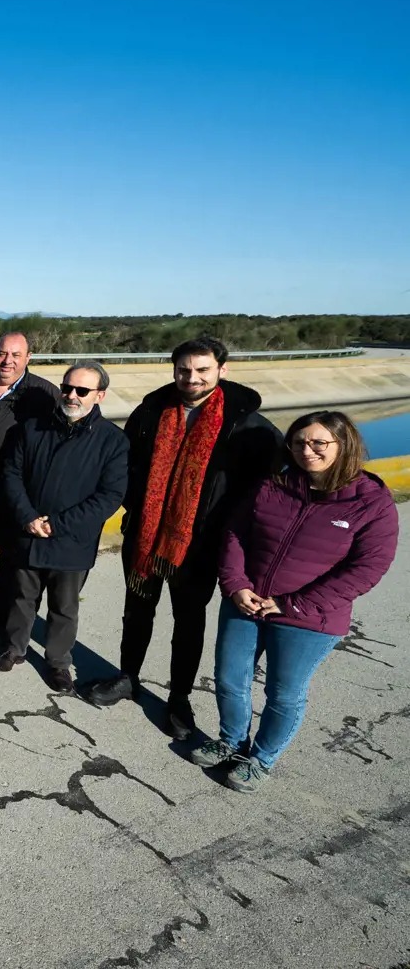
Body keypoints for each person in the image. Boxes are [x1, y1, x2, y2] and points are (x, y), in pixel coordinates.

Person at [84, 337, 283, 736]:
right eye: (184, 370)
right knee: (137, 610)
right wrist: (134, 508)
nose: (192, 378)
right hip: (145, 535)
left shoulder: (248, 426)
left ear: (222, 370)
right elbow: (125, 465)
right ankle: (128, 677)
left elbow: (267, 492)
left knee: (188, 621)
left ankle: (179, 698)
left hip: (201, 545)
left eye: (202, 370)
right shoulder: (151, 411)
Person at [191, 411, 397, 793]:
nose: (307, 450)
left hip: (308, 618)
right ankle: (231, 741)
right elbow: (236, 533)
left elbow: (367, 568)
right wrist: (235, 584)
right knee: (230, 678)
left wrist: (294, 605)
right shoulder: (274, 484)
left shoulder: (371, 501)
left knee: (283, 694)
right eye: (299, 442)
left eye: (319, 443)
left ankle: (260, 759)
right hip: (247, 602)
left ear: (343, 445)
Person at [0, 361, 128, 693]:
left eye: (82, 390)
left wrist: (57, 524)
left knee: (64, 607)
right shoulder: (32, 428)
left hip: (72, 540)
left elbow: (109, 496)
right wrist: (27, 516)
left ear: (100, 395)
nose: (72, 395)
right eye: (67, 388)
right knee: (22, 596)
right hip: (29, 531)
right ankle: (14, 648)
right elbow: (11, 474)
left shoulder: (112, 441)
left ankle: (58, 663)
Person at [0, 330, 62, 632]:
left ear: (28, 358)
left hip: (15, 490)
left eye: (15, 355)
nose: (7, 360)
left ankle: (4, 622)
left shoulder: (43, 394)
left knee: (13, 560)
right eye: (2, 353)